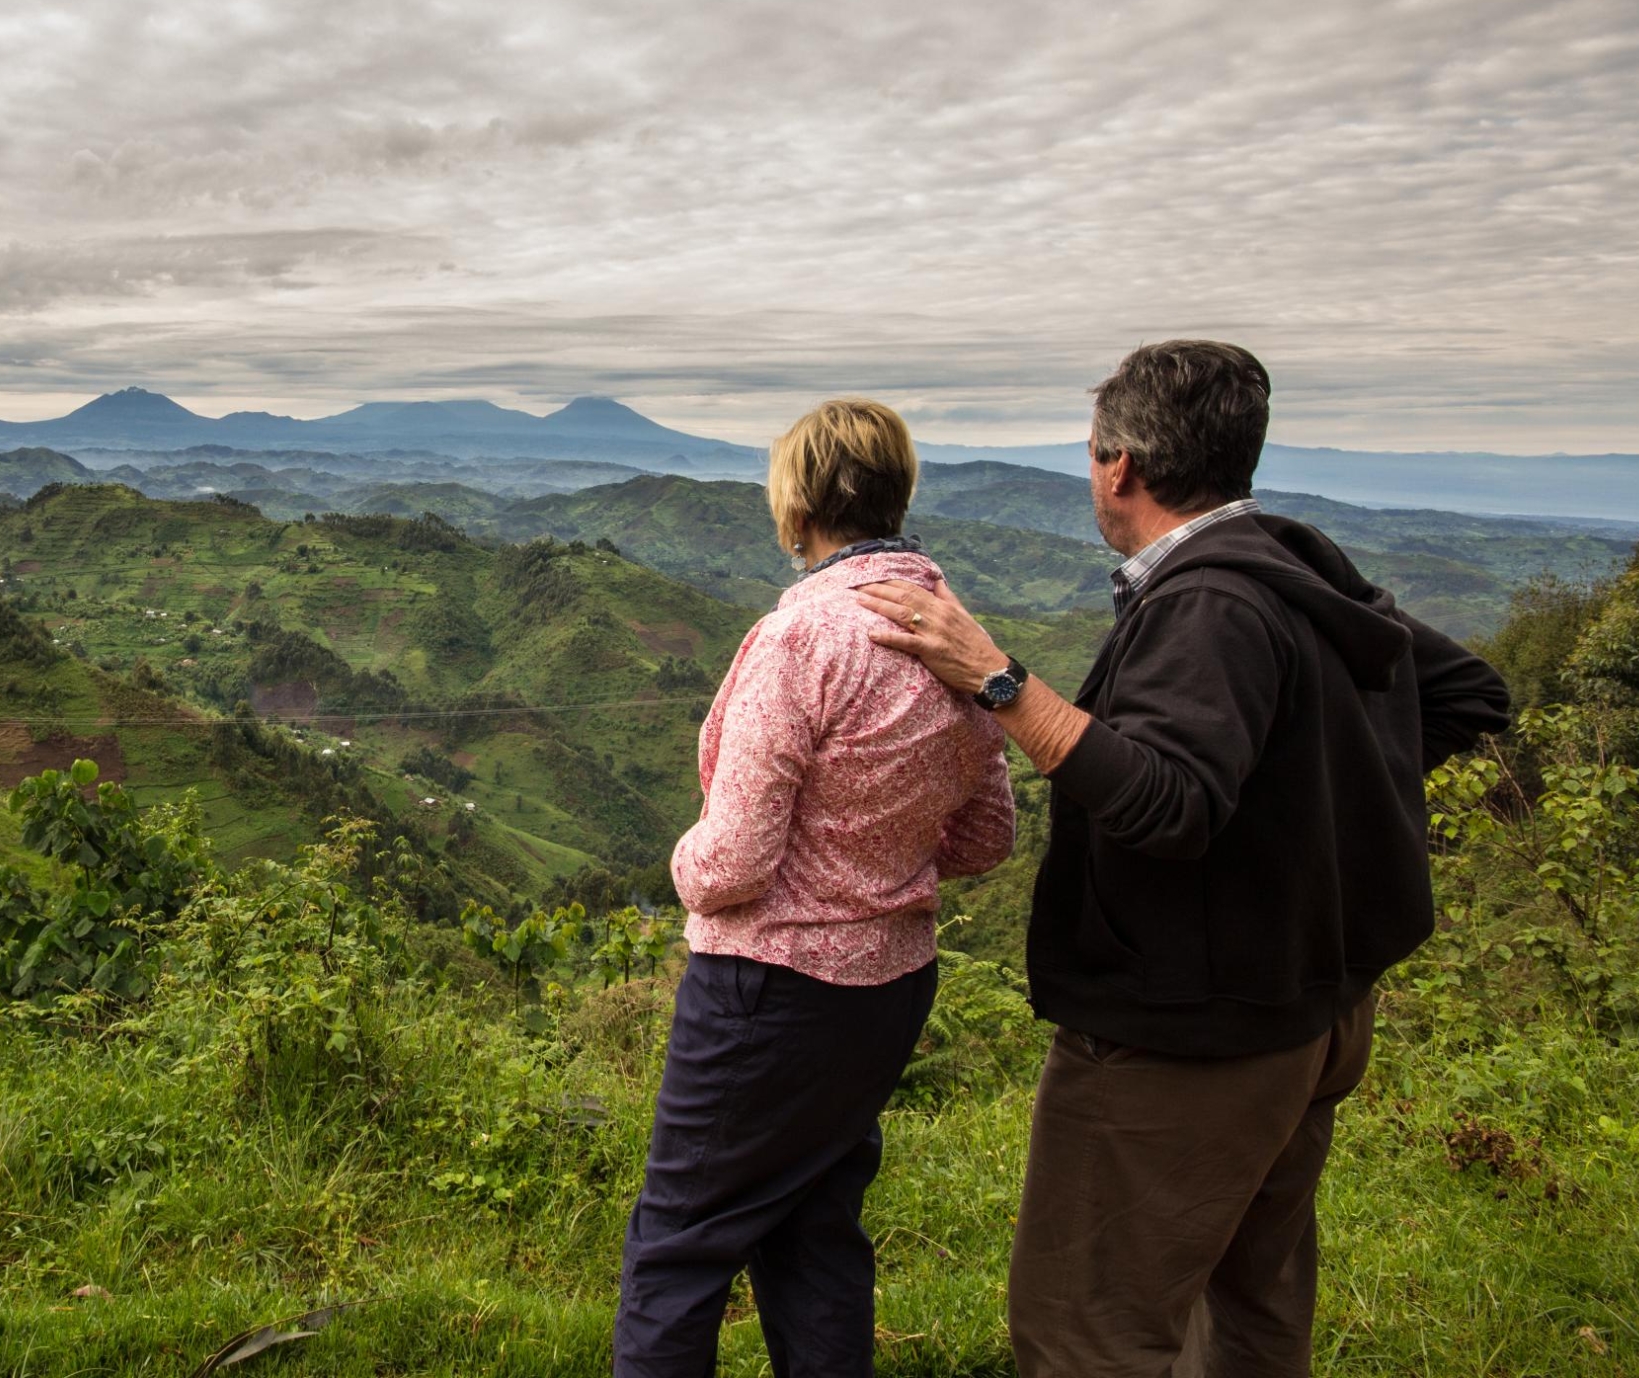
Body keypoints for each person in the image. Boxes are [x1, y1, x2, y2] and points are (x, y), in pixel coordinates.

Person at [855, 340, 1510, 1378]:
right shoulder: (1292, 564)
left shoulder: (1211, 604)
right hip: (1312, 1010)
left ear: (1120, 466)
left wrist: (996, 677)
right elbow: (1468, 692)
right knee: (1252, 1306)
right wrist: (1302, 822)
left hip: (1194, 1036)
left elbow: (1164, 803)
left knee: (1085, 1329)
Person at [615, 397, 1015, 1378]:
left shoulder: (802, 642)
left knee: (676, 1249)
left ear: (795, 510)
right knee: (815, 1231)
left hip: (768, 992)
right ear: (897, 493)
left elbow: (735, 861)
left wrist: (680, 865)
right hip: (886, 988)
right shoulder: (953, 640)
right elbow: (987, 836)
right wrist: (879, 857)